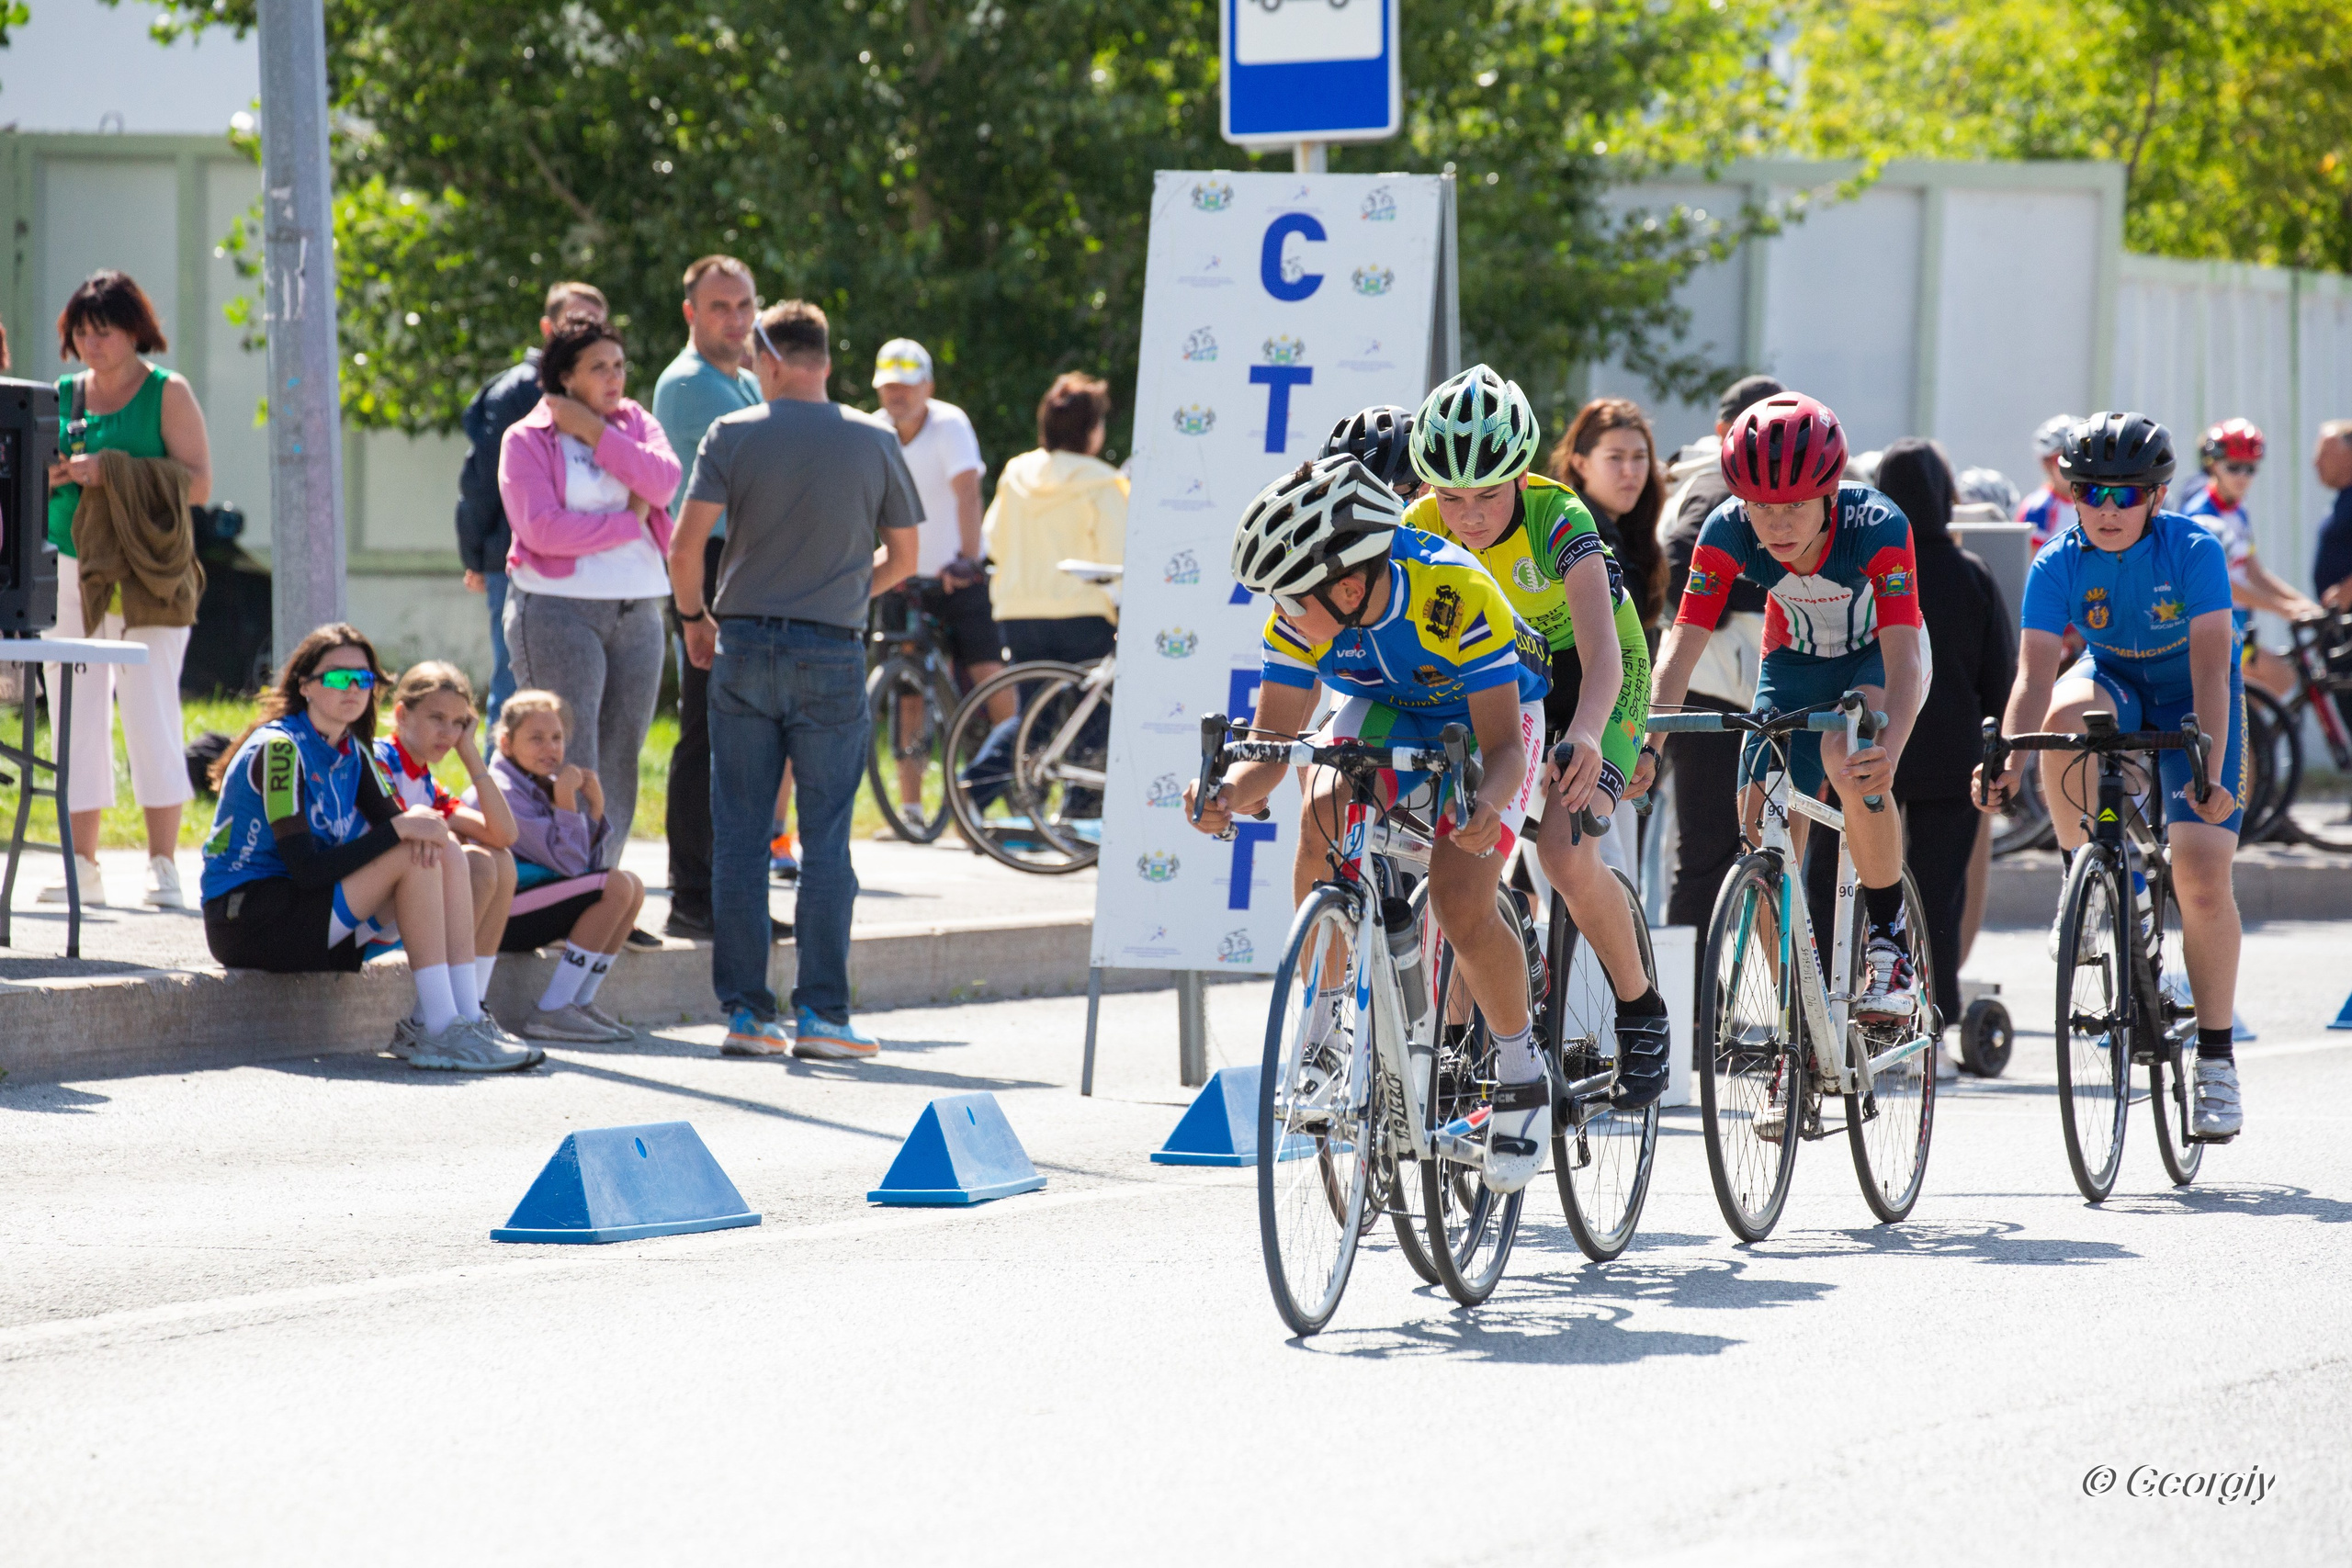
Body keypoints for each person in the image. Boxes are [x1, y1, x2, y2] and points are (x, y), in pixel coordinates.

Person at [1188, 455, 1554, 1190]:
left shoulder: (1458, 593)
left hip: (1488, 717)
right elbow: (1273, 745)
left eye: (1291, 599)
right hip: (1388, 702)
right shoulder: (1304, 614)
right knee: (1321, 797)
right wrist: (1228, 791)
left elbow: (1505, 748)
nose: (1282, 613)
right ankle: (1323, 1030)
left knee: (1458, 898)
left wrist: (1484, 808)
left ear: (1349, 586)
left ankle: (1520, 1069)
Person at [1397, 367, 1670, 1108]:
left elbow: (1606, 653)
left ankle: (1640, 1006)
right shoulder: (1421, 524)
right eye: (1450, 496)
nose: (1469, 514)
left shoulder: (1559, 518)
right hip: (1497, 683)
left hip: (1592, 676)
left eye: (1487, 493)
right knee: (1456, 853)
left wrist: (1586, 736)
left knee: (1561, 851)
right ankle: (1464, 1034)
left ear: (1520, 475)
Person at [1975, 412, 2248, 1140]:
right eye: (2090, 492)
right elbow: (2034, 675)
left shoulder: (2193, 547)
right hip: (2115, 680)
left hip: (2196, 694)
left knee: (2199, 873)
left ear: (2156, 498)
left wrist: (2211, 770)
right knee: (2067, 712)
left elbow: (2213, 665)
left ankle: (2217, 1061)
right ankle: (2091, 882)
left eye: (2126, 496)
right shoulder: (2057, 562)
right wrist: (2006, 758)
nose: (2106, 509)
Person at [669, 299, 922, 1061]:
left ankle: (747, 1014)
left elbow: (685, 549)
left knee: (741, 837)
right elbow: (905, 558)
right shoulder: (874, 437)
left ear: (770, 359)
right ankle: (823, 1017)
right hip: (833, 650)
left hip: (742, 643)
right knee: (826, 840)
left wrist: (695, 619)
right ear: (828, 363)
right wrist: (842, 589)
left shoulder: (733, 433)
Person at [1641, 393, 1928, 1038]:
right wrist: (1649, 744)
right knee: (1760, 826)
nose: (1776, 523)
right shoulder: (1725, 529)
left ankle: (1888, 944)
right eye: (1761, 506)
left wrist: (1891, 753)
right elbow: (1679, 650)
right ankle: (1799, 1022)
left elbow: (1905, 658)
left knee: (1848, 761)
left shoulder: (1877, 525)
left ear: (1830, 493)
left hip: (1873, 659)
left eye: (1795, 504)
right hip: (1793, 662)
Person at [198, 625, 535, 1072]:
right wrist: (399, 833)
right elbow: (305, 870)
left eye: (364, 679)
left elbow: (420, 829)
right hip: (249, 919)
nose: (353, 689)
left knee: (444, 848)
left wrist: (417, 826)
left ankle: (462, 1018)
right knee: (412, 849)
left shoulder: (354, 752)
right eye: (338, 678)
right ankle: (438, 1028)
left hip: (309, 916)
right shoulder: (280, 750)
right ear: (306, 686)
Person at [39, 269, 211, 911]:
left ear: (134, 329)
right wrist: (57, 473)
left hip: (149, 578)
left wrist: (110, 471)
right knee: (75, 717)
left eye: (103, 330)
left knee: (151, 710)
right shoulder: (63, 394)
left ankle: (162, 863)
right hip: (71, 570)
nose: (91, 342)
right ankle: (80, 863)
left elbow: (197, 484)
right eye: (80, 330)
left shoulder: (168, 392)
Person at [498, 316, 681, 860]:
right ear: (566, 377)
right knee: (567, 751)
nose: (614, 377)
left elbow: (665, 482)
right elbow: (542, 531)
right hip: (559, 612)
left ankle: (603, 883)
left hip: (638, 610)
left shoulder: (636, 424)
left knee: (622, 754)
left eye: (619, 366)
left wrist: (597, 433)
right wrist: (629, 522)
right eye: (598, 367)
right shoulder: (526, 437)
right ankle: (555, 882)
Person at [1864, 440, 2016, 1068]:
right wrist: (2001, 753)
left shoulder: (1872, 570)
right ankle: (1937, 1014)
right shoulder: (1972, 571)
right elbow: (1999, 672)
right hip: (1954, 752)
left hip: (1877, 744)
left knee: (1873, 883)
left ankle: (1875, 998)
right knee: (1938, 889)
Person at [650, 256, 765, 938]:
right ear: (691, 312)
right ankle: (692, 893)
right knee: (707, 732)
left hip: (743, 558)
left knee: (741, 738)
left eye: (745, 305)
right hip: (709, 560)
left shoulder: (745, 379)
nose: (736, 319)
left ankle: (729, 892)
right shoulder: (691, 385)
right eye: (720, 306)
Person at [960, 373, 1129, 815]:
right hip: (1081, 613)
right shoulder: (1103, 482)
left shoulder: (1017, 472)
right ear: (1092, 430)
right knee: (1093, 712)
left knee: (1033, 714)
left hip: (1018, 612)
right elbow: (1120, 553)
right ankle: (1077, 812)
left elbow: (992, 537)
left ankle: (973, 791)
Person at [1657, 373, 1782, 942]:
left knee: (1708, 850)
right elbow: (1678, 567)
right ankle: (1688, 1011)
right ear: (1723, 432)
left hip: (1711, 685)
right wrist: (1734, 597)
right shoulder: (1716, 488)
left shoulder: (1701, 480)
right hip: (1713, 689)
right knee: (1709, 853)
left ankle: (1693, 1005)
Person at [457, 280, 609, 728]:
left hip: (582, 563)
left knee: (568, 696)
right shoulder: (520, 390)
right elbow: (481, 483)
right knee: (515, 687)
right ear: (547, 327)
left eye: (594, 325)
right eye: (573, 322)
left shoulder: (603, 389)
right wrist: (478, 558)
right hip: (515, 561)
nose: (583, 333)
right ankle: (499, 795)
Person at [872, 336, 1001, 834]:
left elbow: (967, 492)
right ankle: (910, 808)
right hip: (902, 576)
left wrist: (970, 560)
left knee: (989, 677)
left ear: (927, 385)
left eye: (907, 386)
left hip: (955, 574)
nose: (897, 395)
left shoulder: (950, 424)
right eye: (888, 386)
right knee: (907, 691)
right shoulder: (876, 429)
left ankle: (1014, 783)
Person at [478, 690, 648, 1044]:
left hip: (531, 905)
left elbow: (587, 870)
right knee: (616, 885)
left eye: (556, 738)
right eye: (536, 739)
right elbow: (572, 869)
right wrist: (568, 803)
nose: (550, 749)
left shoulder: (537, 784)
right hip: (500, 914)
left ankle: (579, 1002)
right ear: (506, 744)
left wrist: (596, 811)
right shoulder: (502, 789)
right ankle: (553, 1009)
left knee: (630, 885)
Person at [378, 661, 525, 1055]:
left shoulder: (425, 779)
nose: (448, 732)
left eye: (459, 723)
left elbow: (504, 834)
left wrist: (470, 753)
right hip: (373, 903)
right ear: (402, 714)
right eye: (436, 718)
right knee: (471, 860)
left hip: (411, 905)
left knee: (499, 861)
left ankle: (469, 1012)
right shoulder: (381, 760)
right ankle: (436, 1019)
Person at [2180, 419, 2324, 698]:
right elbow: (2220, 585)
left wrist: (2304, 604)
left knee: (2270, 691)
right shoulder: (2201, 515)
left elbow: (2255, 573)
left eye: (2250, 468)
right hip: (2210, 630)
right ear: (2212, 465)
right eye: (2233, 467)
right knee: (2281, 676)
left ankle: (2251, 740)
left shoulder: (2238, 510)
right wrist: (2284, 609)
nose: (2242, 476)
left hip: (2237, 626)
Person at [1549, 397, 1669, 634]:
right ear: (1580, 464)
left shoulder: (1634, 535)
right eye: (1615, 457)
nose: (1630, 471)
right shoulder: (1564, 533)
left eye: (1639, 457)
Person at [2018, 413, 2082, 552]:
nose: (2072, 465)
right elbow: (2031, 562)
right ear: (2047, 464)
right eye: (2063, 458)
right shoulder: (2038, 508)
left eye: (2077, 457)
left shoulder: (2095, 499)